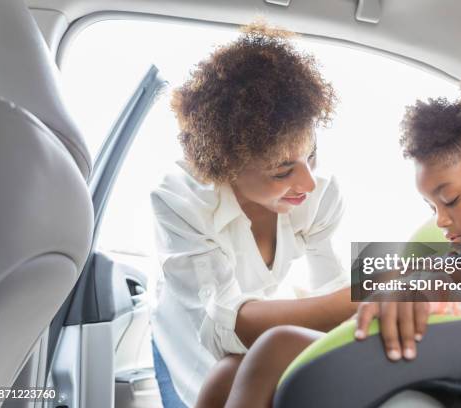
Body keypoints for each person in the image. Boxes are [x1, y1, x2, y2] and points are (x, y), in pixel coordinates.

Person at [220, 73, 461, 407]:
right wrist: (405, 289)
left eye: (450, 199)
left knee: (276, 346)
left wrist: (425, 303)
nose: (440, 220)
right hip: (408, 353)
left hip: (445, 370)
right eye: (431, 206)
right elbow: (428, 280)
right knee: (227, 372)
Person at [149, 22, 357, 408]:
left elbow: (330, 287)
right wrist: (368, 297)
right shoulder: (180, 201)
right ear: (227, 166)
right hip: (185, 344)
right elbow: (220, 326)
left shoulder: (320, 195)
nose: (308, 182)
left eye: (310, 155)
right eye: (282, 170)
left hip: (242, 349)